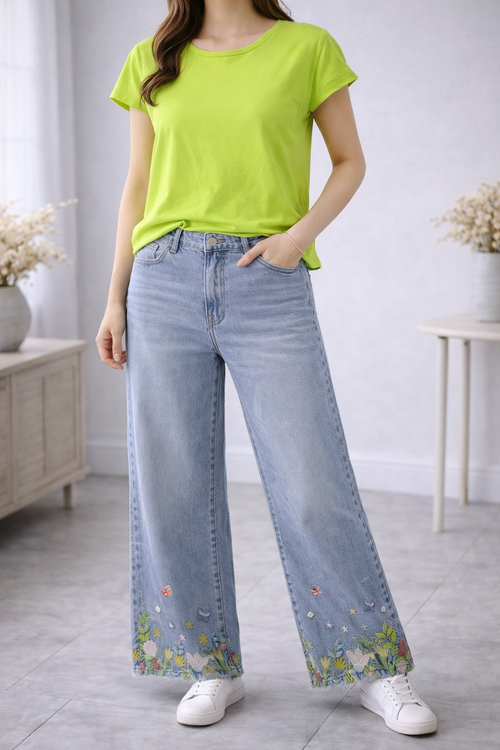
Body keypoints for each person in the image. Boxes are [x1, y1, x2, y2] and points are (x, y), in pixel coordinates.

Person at [96, 0, 437, 736]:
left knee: (312, 481)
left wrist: (297, 238)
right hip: (162, 277)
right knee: (171, 482)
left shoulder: (305, 47)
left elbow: (350, 162)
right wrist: (114, 297)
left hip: (267, 278)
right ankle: (208, 663)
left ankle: (373, 665)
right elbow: (137, 185)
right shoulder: (153, 55)